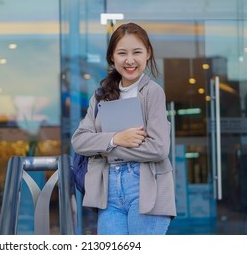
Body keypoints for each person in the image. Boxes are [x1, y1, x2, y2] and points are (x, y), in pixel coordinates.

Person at [71, 22, 176, 235]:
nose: (129, 60)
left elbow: (158, 149)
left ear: (148, 53)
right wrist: (117, 138)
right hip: (108, 190)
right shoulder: (101, 95)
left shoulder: (153, 92)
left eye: (137, 52)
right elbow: (79, 141)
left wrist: (103, 148)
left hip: (146, 187)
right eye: (122, 53)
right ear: (112, 57)